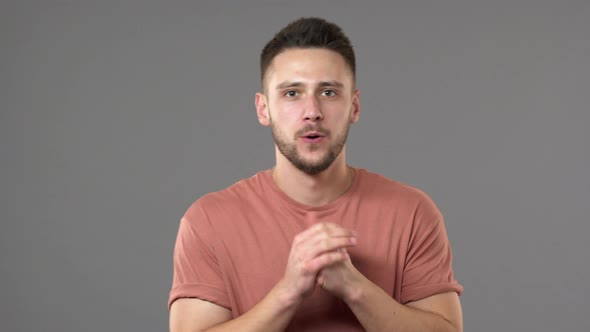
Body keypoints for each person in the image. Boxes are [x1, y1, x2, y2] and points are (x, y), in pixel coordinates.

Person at [168, 17, 463, 332]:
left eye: (329, 92)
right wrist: (289, 291)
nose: (312, 111)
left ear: (355, 106)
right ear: (263, 108)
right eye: (292, 93)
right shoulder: (208, 221)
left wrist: (354, 287)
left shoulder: (412, 212)